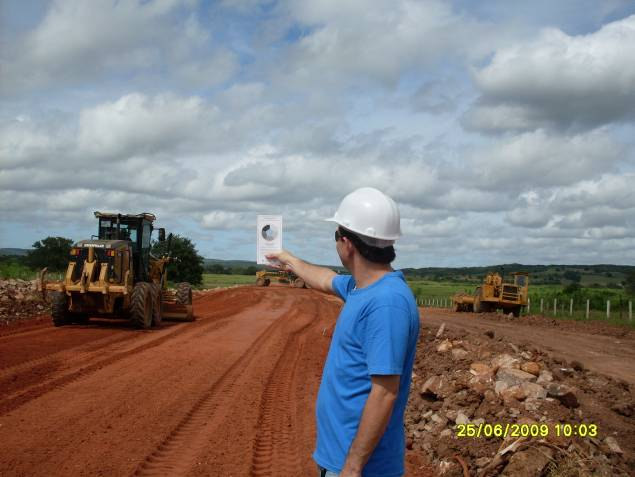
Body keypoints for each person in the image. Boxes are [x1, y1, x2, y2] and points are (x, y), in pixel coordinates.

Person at [266, 187, 420, 477]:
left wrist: (353, 465)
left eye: (336, 235)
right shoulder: (361, 288)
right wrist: (289, 260)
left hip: (362, 468)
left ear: (346, 243)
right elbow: (326, 279)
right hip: (338, 457)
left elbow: (385, 392)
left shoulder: (386, 303)